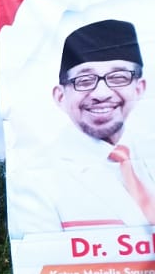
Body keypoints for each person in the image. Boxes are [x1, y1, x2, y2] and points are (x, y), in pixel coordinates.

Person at [10, 18, 155, 233]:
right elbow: (43, 253)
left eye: (118, 77)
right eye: (85, 80)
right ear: (60, 96)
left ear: (139, 88)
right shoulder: (34, 178)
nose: (101, 94)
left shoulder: (148, 150)